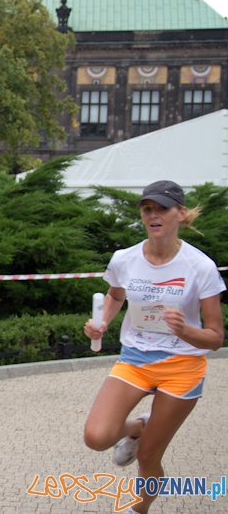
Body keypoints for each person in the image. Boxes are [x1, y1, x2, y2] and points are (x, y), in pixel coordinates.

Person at [83, 180, 225, 514]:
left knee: (148, 457)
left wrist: (185, 330)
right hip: (135, 358)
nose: (154, 215)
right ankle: (137, 427)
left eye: (162, 208)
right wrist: (102, 322)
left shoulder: (200, 267)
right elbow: (116, 295)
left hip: (183, 366)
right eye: (148, 209)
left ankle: (138, 510)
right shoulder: (125, 259)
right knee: (97, 437)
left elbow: (216, 337)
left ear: (181, 214)